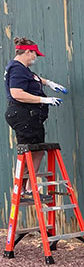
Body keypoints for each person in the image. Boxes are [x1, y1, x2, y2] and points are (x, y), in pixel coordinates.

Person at [4, 37, 67, 172]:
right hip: (23, 115)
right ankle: (24, 189)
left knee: (38, 151)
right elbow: (16, 93)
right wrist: (44, 100)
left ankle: (29, 187)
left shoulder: (22, 68)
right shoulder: (17, 69)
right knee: (29, 152)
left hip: (30, 116)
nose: (36, 58)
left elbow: (33, 78)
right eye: (35, 54)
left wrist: (49, 83)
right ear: (27, 52)